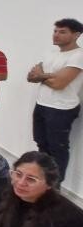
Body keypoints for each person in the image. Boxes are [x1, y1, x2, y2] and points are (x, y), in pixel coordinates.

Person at [27, 18, 83, 181]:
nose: (56, 35)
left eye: (62, 32)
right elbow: (31, 77)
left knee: (57, 149)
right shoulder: (50, 53)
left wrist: (41, 76)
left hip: (61, 109)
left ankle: (54, 187)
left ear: (76, 35)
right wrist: (46, 76)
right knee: (41, 143)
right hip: (42, 105)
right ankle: (41, 181)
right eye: (55, 31)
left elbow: (59, 84)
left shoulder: (78, 55)